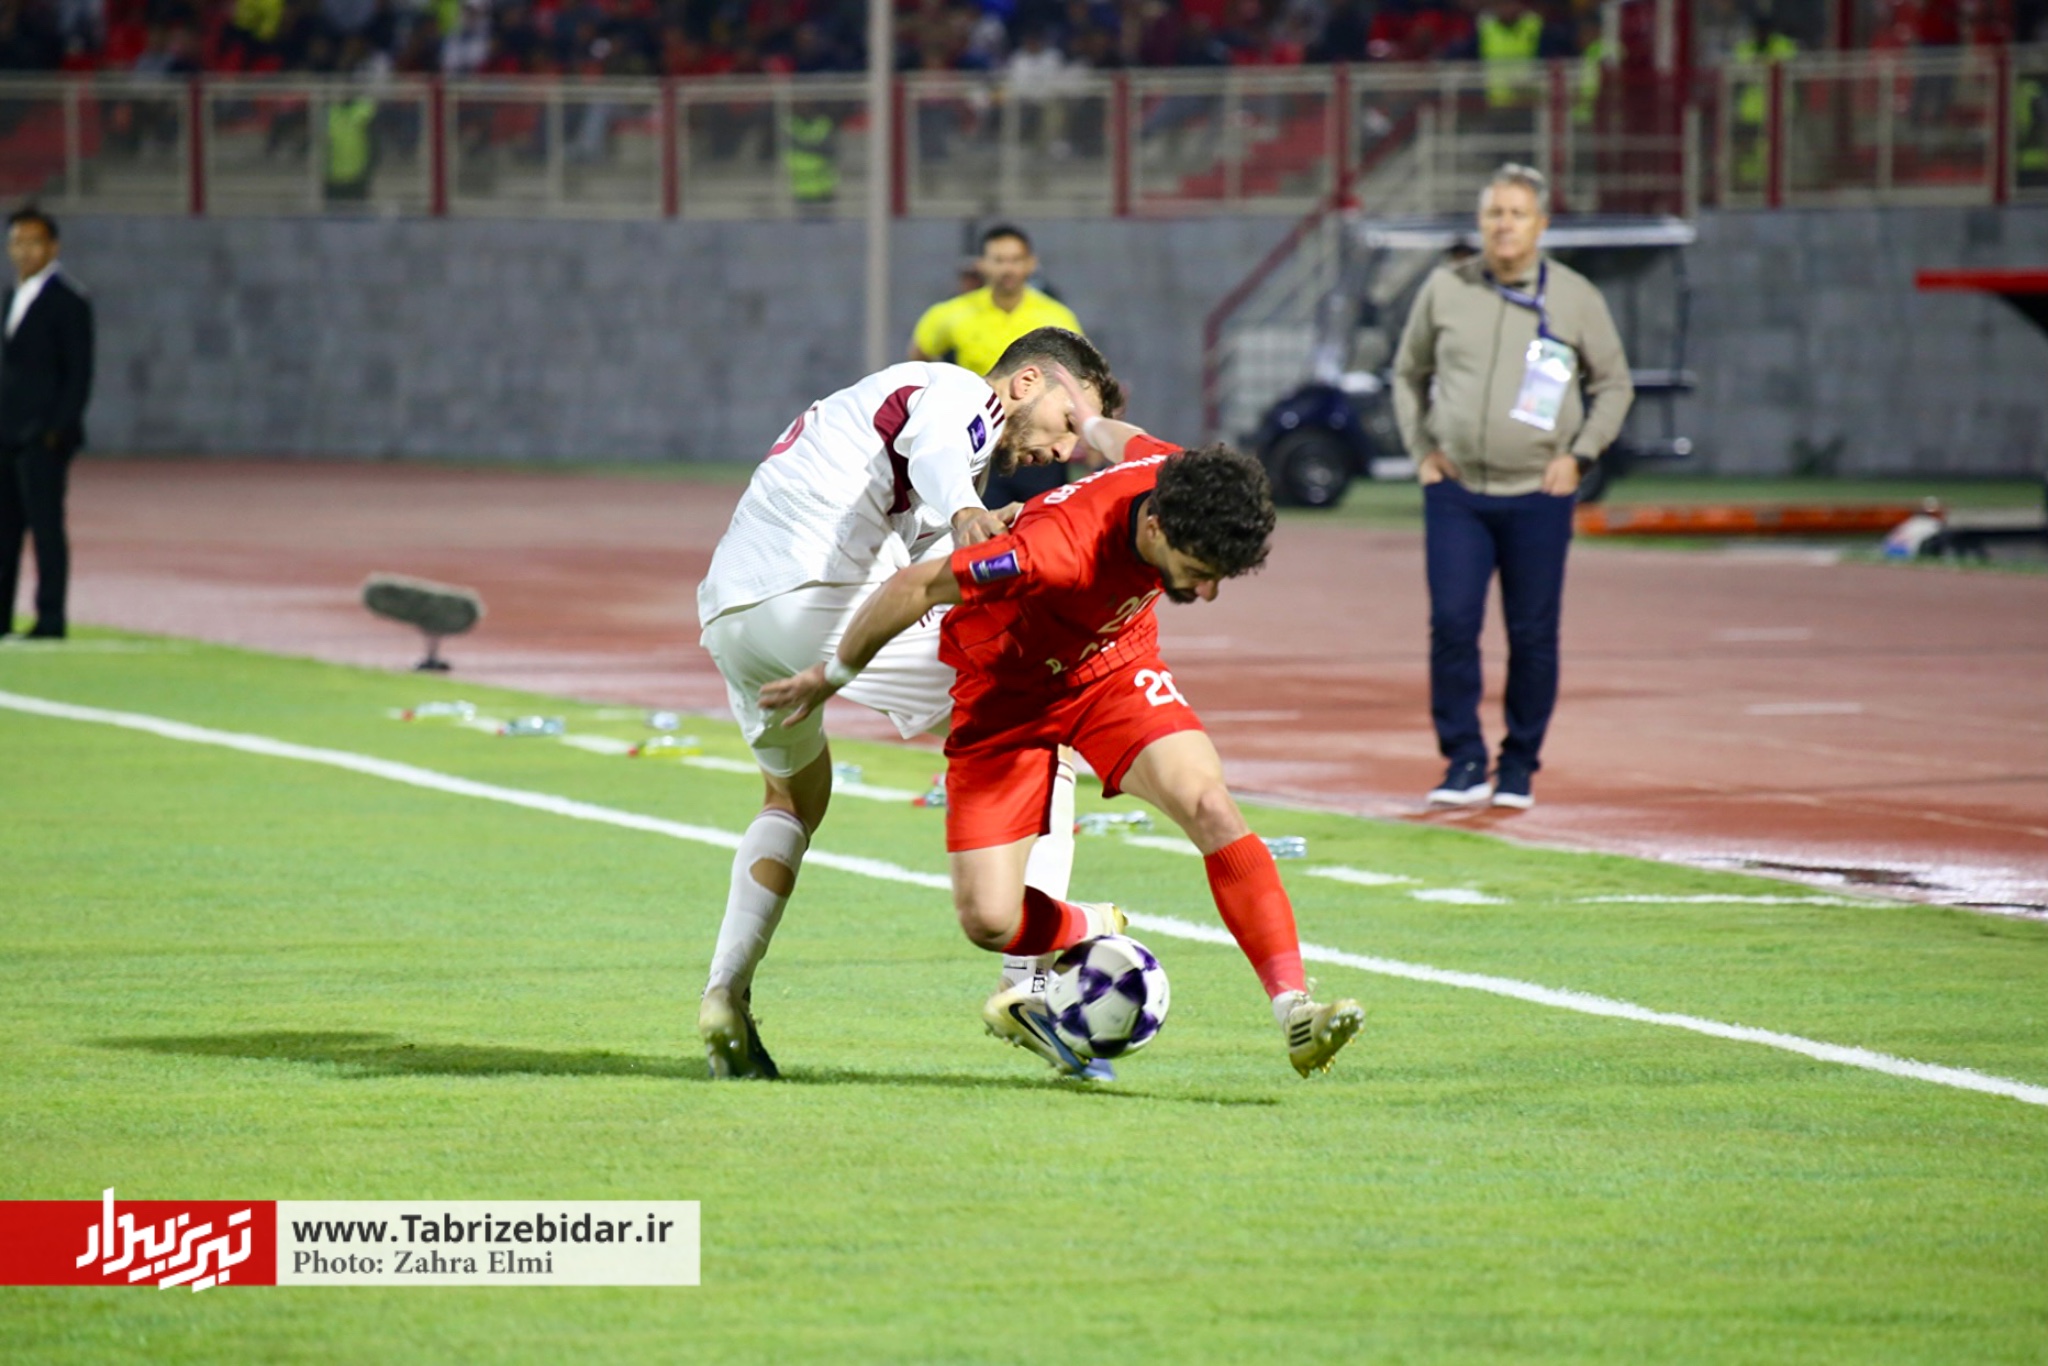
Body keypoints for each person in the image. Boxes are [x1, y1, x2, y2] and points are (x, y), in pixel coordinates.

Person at [761, 387, 1367, 1081]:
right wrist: (833, 673)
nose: (1206, 594)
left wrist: (1088, 422)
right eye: (1199, 574)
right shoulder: (1047, 552)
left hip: (1113, 670)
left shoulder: (1177, 474)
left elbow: (1124, 441)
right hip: (1007, 700)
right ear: (1156, 529)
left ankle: (1294, 1009)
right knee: (989, 921)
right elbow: (916, 587)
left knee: (1209, 804)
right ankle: (1088, 924)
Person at [694, 327, 1123, 1080]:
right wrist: (964, 511)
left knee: (794, 797)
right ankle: (1026, 985)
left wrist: (988, 532)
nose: (1064, 449)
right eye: (1067, 424)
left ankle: (725, 993)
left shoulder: (902, 426)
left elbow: (926, 570)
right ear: (1027, 382)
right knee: (1044, 732)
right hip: (818, 594)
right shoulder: (960, 394)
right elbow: (939, 456)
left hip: (735, 615)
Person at [1393, 164, 1632, 811]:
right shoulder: (1446, 288)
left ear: (1541, 225)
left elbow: (1615, 385)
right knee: (1452, 624)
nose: (1504, 225)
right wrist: (1421, 451)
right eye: (1494, 213)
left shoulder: (1575, 297)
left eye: (1517, 214)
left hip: (1538, 495)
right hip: (1457, 492)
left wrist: (1579, 457)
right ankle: (1464, 760)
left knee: (1532, 634)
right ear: (1480, 222)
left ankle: (1520, 764)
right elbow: (1407, 373)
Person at [908, 224, 1085, 507]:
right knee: (979, 523)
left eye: (1015, 260)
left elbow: (1079, 378)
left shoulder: (1057, 316)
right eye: (999, 260)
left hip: (1038, 446)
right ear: (982, 265)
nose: (1007, 269)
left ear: (1031, 264)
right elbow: (918, 359)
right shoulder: (950, 314)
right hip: (979, 443)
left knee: (1042, 523)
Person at [0, 206, 94, 642]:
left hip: (42, 437)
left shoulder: (68, 301)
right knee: (4, 531)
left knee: (45, 528)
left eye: (34, 242)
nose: (25, 251)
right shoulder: (9, 298)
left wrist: (56, 430)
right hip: (6, 434)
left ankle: (50, 617)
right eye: (17, 242)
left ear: (52, 247)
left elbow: (79, 373)